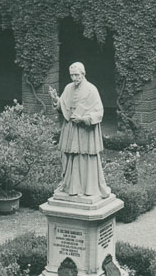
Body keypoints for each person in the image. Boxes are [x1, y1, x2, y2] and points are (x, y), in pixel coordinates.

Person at [47, 62, 111, 199]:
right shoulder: (68, 88)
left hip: (85, 132)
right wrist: (56, 100)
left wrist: (83, 119)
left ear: (83, 73)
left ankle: (88, 188)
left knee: (85, 157)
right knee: (70, 157)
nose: (74, 78)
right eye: (72, 75)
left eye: (76, 75)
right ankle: (71, 187)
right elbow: (63, 107)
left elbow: (99, 112)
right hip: (71, 129)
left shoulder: (91, 90)